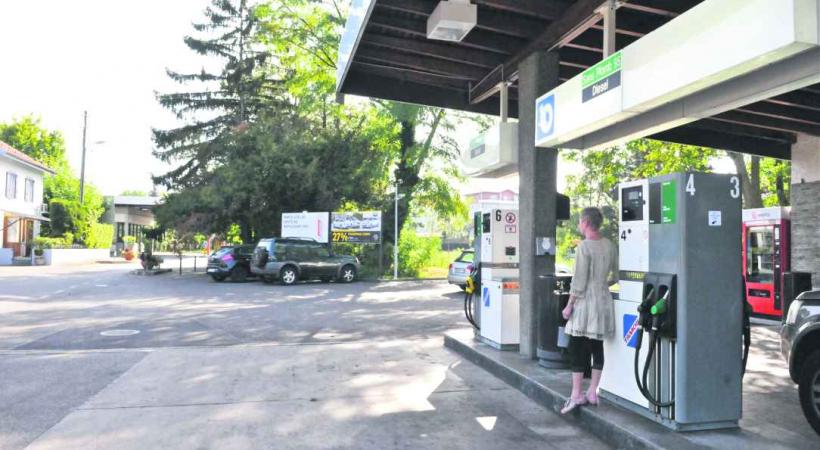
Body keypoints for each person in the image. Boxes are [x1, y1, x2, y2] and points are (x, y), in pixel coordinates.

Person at [560, 207, 618, 414]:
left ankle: (576, 394)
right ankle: (593, 391)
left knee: (576, 346)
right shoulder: (610, 245)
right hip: (603, 301)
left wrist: (569, 305)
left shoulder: (584, 247)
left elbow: (579, 281)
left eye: (579, 221)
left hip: (585, 304)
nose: (578, 225)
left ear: (585, 222)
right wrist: (601, 285)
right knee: (596, 345)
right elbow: (616, 276)